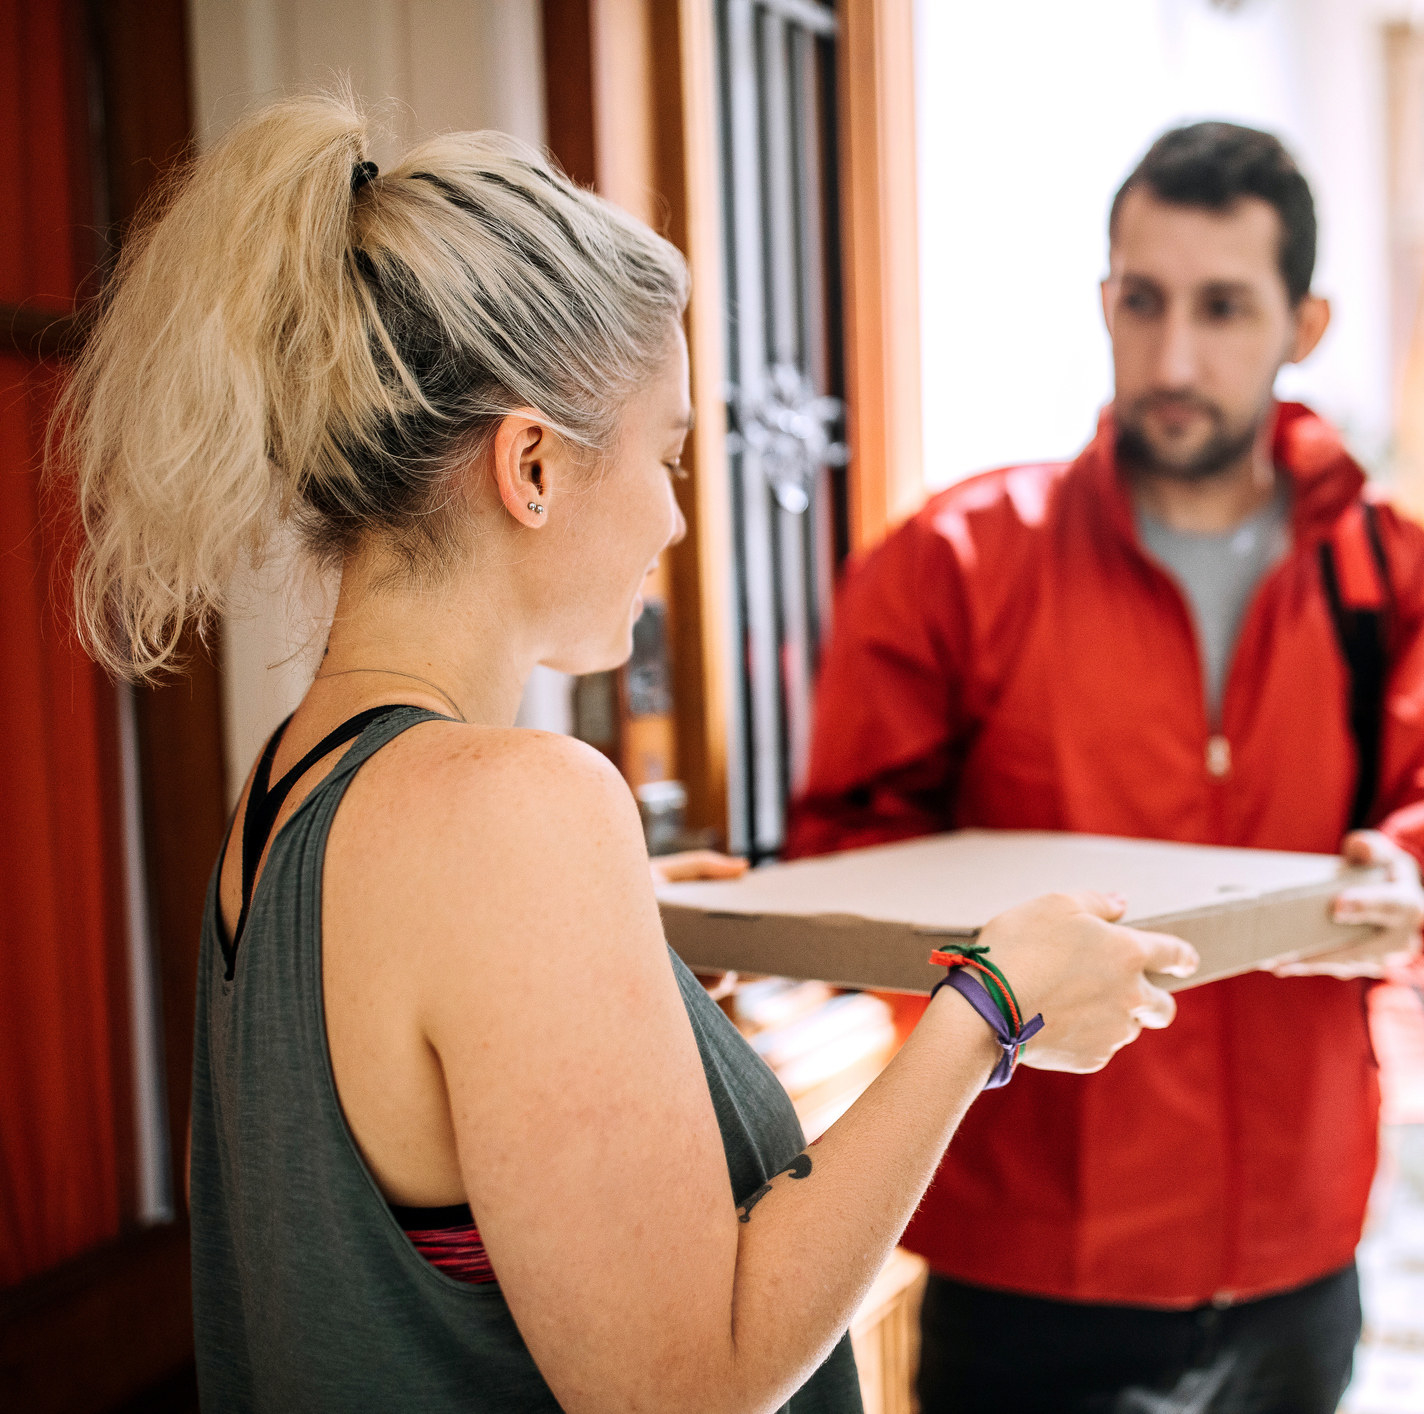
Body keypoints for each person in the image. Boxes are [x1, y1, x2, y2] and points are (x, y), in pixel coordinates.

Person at [64, 95, 1197, 1413]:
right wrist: (991, 1009)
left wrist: (619, 965)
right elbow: (687, 1384)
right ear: (530, 465)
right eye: (664, 453)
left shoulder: (291, 785)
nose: (671, 515)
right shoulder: (514, 809)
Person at [788, 122, 1424, 1413]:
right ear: (1103, 302)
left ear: (1301, 322)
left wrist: (1415, 875)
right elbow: (846, 860)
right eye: (1141, 303)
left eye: (1221, 308)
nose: (1172, 357)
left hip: (1296, 1260)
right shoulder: (955, 560)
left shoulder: (1385, 574)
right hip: (1030, 1263)